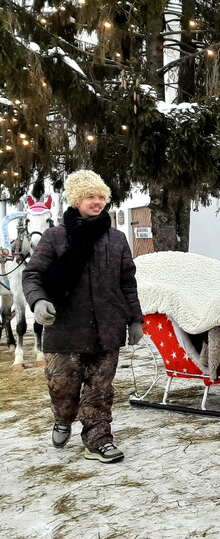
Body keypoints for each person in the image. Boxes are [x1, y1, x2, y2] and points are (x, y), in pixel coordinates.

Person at [23, 170, 144, 464]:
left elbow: (127, 281)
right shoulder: (55, 237)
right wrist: (38, 301)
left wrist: (135, 319)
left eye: (102, 196)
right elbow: (33, 275)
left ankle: (98, 440)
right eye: (91, 196)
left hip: (107, 327)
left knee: (99, 390)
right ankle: (63, 418)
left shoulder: (116, 239)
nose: (98, 201)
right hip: (64, 328)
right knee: (63, 388)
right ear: (77, 200)